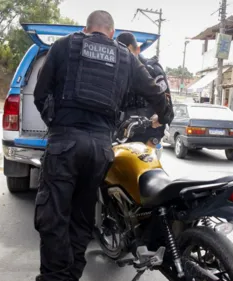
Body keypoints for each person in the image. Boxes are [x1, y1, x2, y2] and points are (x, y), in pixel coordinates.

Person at [33, 10, 171, 281]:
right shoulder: (125, 56)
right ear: (111, 31)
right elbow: (156, 92)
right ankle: (71, 274)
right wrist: (161, 120)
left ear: (86, 29)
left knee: (54, 215)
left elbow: (41, 93)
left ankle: (55, 277)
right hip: (99, 148)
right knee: (83, 215)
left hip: (65, 143)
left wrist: (55, 121)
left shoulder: (63, 46)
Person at [116, 32, 174, 148]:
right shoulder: (115, 69)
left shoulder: (153, 70)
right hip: (119, 131)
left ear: (137, 50)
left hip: (147, 132)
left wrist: (159, 124)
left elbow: (167, 104)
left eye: (128, 52)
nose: (125, 58)